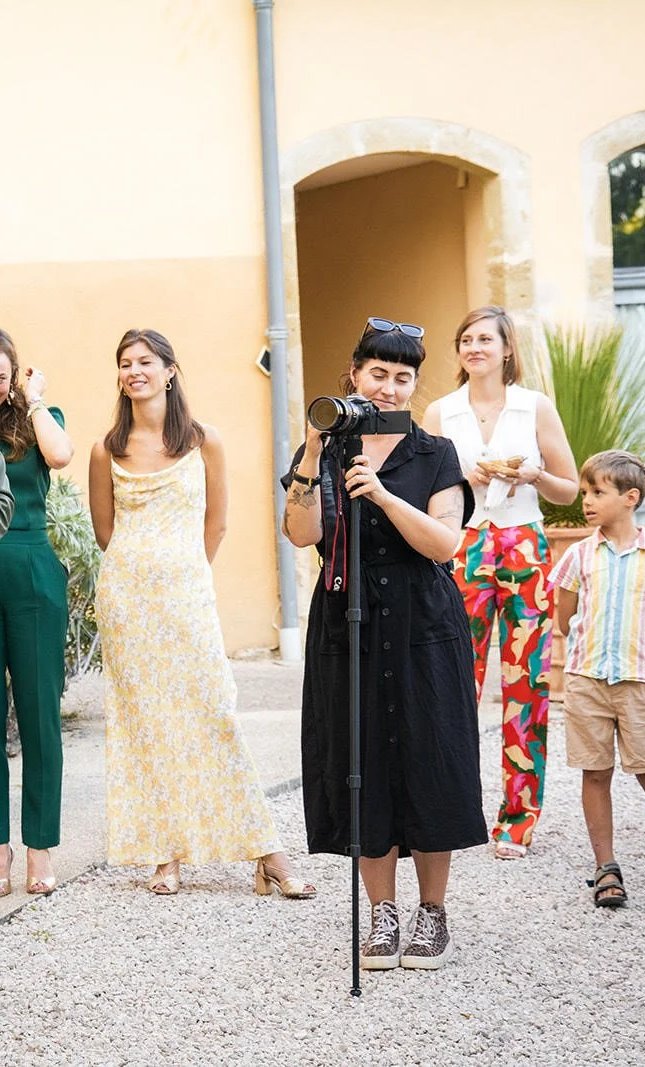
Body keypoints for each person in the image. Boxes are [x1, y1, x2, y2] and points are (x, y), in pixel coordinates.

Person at [282, 317, 487, 970]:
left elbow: (444, 544)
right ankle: (381, 912)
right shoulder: (326, 448)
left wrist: (384, 495)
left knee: (431, 757)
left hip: (421, 623)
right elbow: (297, 532)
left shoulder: (434, 452)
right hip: (347, 621)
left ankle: (431, 910)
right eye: (378, 374)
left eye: (403, 377)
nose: (390, 387)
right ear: (354, 375)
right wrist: (314, 453)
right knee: (360, 759)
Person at [89, 328, 315, 898]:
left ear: (170, 370)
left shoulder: (203, 440)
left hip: (186, 598)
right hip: (128, 603)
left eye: (145, 361)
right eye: (125, 363)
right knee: (146, 726)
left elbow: (216, 523)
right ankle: (165, 853)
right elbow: (105, 532)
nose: (134, 370)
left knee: (215, 715)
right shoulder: (105, 449)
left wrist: (185, 573)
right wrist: (145, 572)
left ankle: (268, 851)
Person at [423, 306, 578, 860]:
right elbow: (423, 488)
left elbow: (568, 489)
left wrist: (531, 473)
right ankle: (452, 811)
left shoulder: (533, 406)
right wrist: (467, 475)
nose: (474, 347)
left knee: (528, 684)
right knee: (454, 682)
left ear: (507, 348)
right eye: (465, 339)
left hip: (524, 546)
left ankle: (517, 820)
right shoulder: (441, 412)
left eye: (485, 338)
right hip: (463, 546)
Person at [549, 450, 645, 908]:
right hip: (587, 679)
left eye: (597, 492)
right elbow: (565, 618)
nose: (586, 501)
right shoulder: (578, 556)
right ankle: (606, 866)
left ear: (631, 498)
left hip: (639, 681)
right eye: (585, 492)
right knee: (595, 772)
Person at [0, 329, 74, 897]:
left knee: (40, 716)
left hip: (30, 569)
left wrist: (31, 400)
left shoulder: (37, 417)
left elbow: (61, 455)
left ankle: (39, 847)